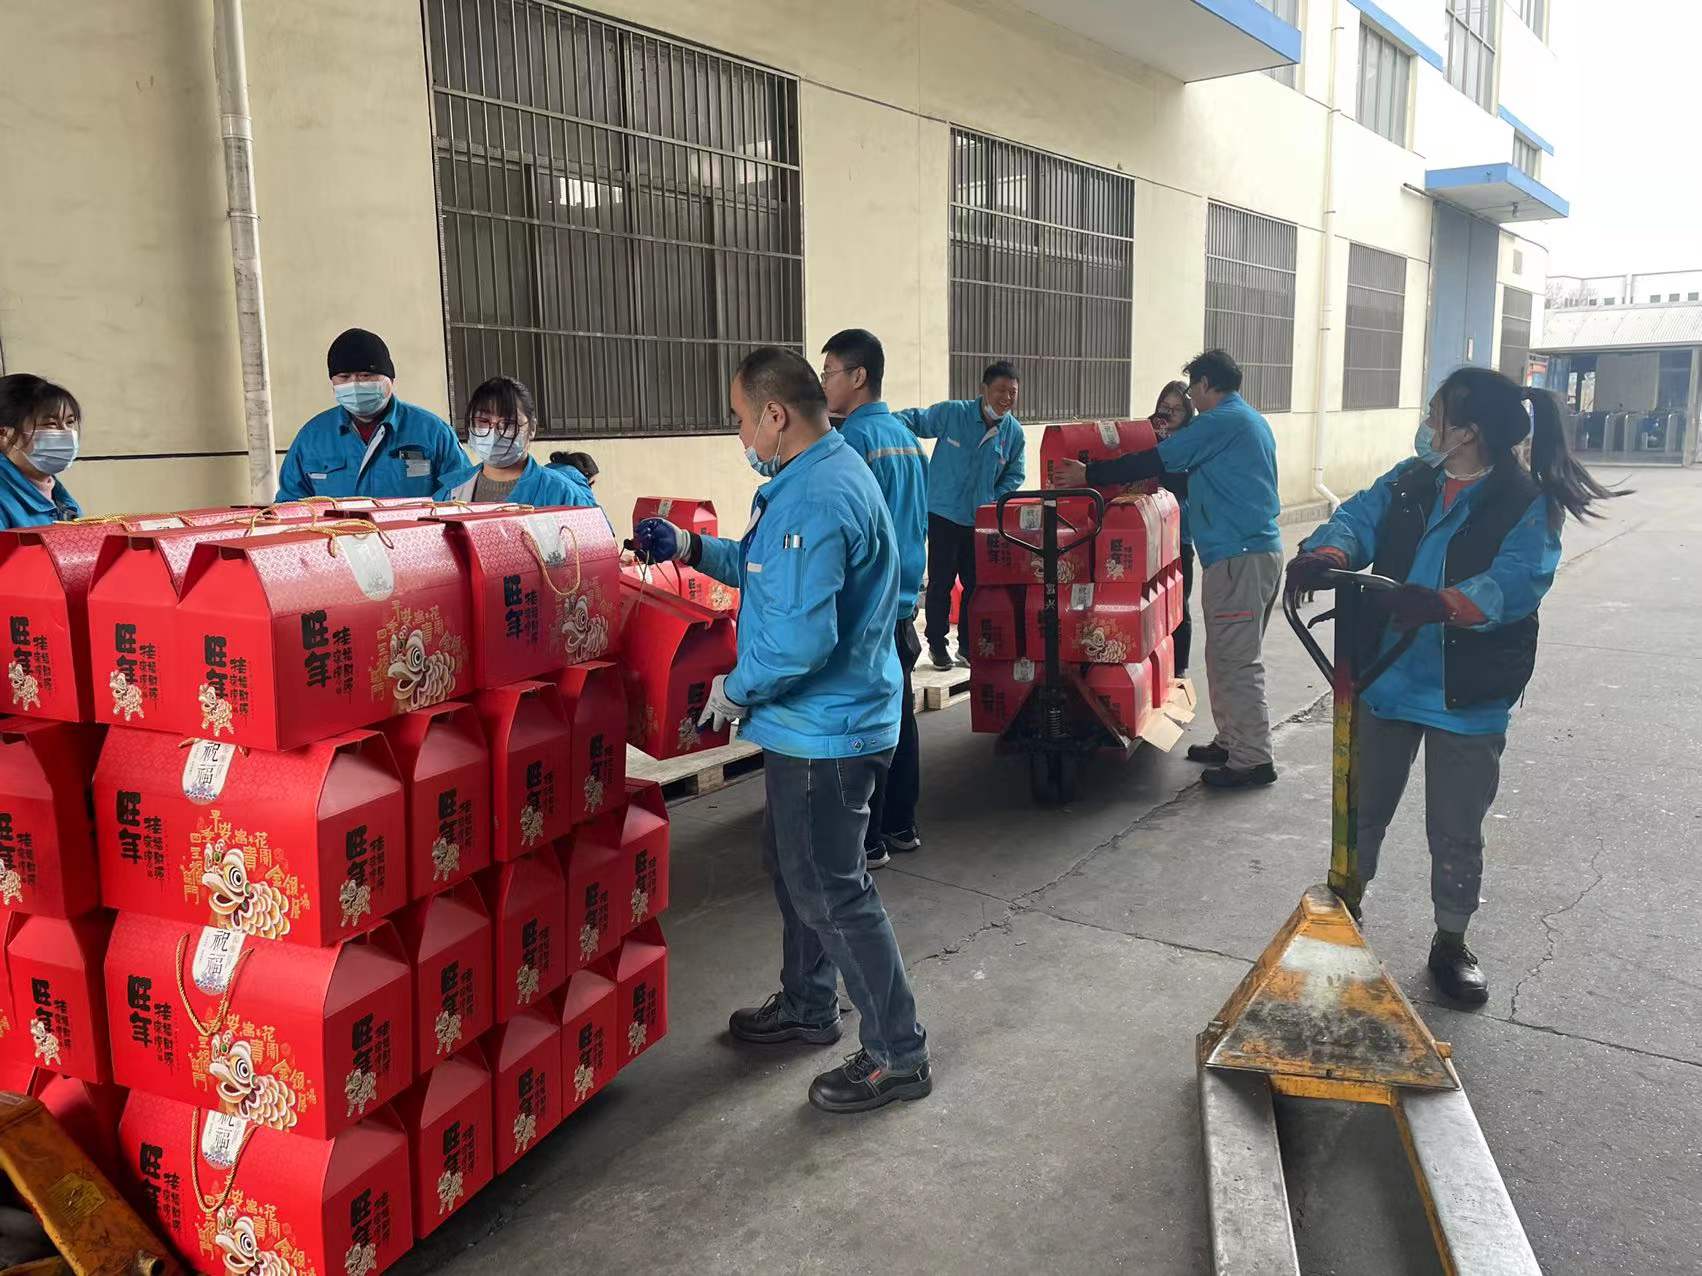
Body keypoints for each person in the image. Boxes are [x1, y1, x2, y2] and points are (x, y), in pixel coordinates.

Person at [631, 347, 930, 1115]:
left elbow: (800, 639)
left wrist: (733, 692)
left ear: (774, 414)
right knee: (797, 869)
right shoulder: (809, 478)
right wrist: (692, 548)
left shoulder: (816, 495)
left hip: (830, 731)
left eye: (740, 418)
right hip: (814, 726)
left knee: (832, 888)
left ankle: (898, 1053)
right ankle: (808, 1003)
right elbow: (767, 570)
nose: (740, 435)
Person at [1287, 367, 1622, 1004]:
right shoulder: (1412, 479)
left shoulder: (1524, 500)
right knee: (1361, 810)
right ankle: (1344, 915)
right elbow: (1358, 515)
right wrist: (1329, 552)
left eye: (1435, 414)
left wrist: (1445, 603)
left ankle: (1450, 941)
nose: (1426, 425)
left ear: (1465, 431)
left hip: (1468, 692)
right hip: (1386, 677)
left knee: (1455, 828)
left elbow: (1518, 581)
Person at [1053, 350, 1282, 789]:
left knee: (1237, 660)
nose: (1192, 396)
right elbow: (1188, 477)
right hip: (1245, 553)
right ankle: (1233, 741)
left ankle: (1253, 759)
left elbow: (1158, 460)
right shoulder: (1245, 420)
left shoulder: (1220, 422)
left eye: (1193, 387)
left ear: (1207, 384)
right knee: (1222, 655)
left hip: (1241, 556)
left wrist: (1090, 474)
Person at [822, 327, 928, 869]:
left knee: (865, 722)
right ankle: (901, 824)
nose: (823, 384)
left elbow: (849, 530)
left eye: (829, 373)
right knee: (900, 711)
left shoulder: (853, 443)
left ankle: (868, 838)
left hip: (871, 605)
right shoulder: (906, 438)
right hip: (905, 600)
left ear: (858, 376)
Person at [897, 362, 1026, 670]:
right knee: (940, 582)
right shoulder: (954, 414)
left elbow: (1015, 474)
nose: (1007, 398)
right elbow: (912, 420)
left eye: (1013, 392)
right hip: (943, 513)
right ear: (984, 389)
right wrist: (883, 429)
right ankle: (937, 644)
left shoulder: (1013, 433)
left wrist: (992, 498)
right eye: (1001, 390)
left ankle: (967, 645)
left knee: (975, 584)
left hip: (980, 520)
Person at [277, 328, 463, 500]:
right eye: (344, 377)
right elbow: (290, 504)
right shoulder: (312, 437)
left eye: (365, 375)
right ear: (333, 382)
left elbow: (461, 494)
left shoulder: (433, 432)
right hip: (340, 528)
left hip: (411, 527)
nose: (354, 384)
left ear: (390, 380)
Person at [436, 376, 597, 507]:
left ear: (532, 428)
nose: (494, 432)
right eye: (483, 421)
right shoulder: (450, 494)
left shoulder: (564, 495)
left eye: (508, 423)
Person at [1152, 380, 1198, 675]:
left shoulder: (1194, 441)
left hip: (1180, 536)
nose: (1168, 414)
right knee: (1151, 602)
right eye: (1164, 407)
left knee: (1179, 602)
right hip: (1150, 534)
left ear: (1188, 412)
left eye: (1177, 409)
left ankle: (1179, 669)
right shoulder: (1147, 433)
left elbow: (1183, 484)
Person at [0, 374, 82, 527]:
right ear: (4, 434)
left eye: (69, 422)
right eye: (51, 424)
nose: (66, 433)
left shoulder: (61, 499)